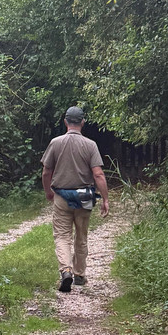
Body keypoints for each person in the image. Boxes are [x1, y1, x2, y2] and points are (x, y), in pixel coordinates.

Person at [40, 105, 109, 293]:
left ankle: (66, 270)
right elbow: (98, 174)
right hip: (84, 198)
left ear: (65, 122)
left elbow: (46, 171)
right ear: (83, 122)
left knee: (62, 235)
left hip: (62, 196)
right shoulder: (90, 145)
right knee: (81, 236)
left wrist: (48, 192)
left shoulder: (55, 143)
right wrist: (105, 199)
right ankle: (79, 274)